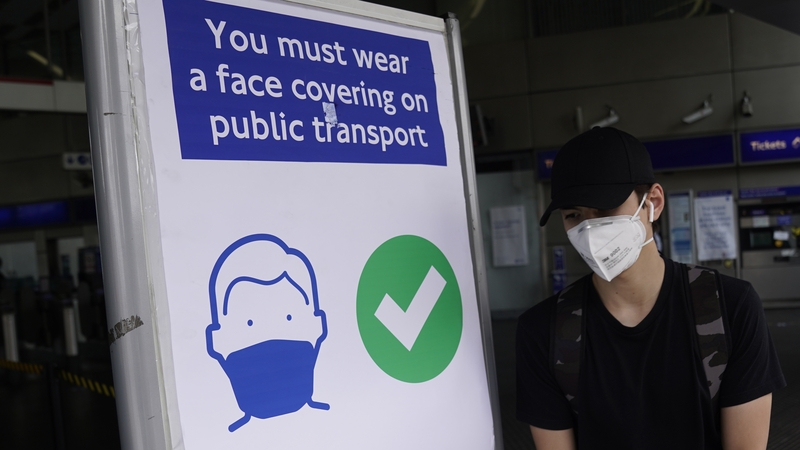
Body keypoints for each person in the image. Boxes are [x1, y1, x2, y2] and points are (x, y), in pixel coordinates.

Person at [516, 127, 785, 449]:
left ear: (652, 202)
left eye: (605, 209)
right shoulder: (543, 330)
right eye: (574, 215)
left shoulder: (730, 306)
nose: (589, 229)